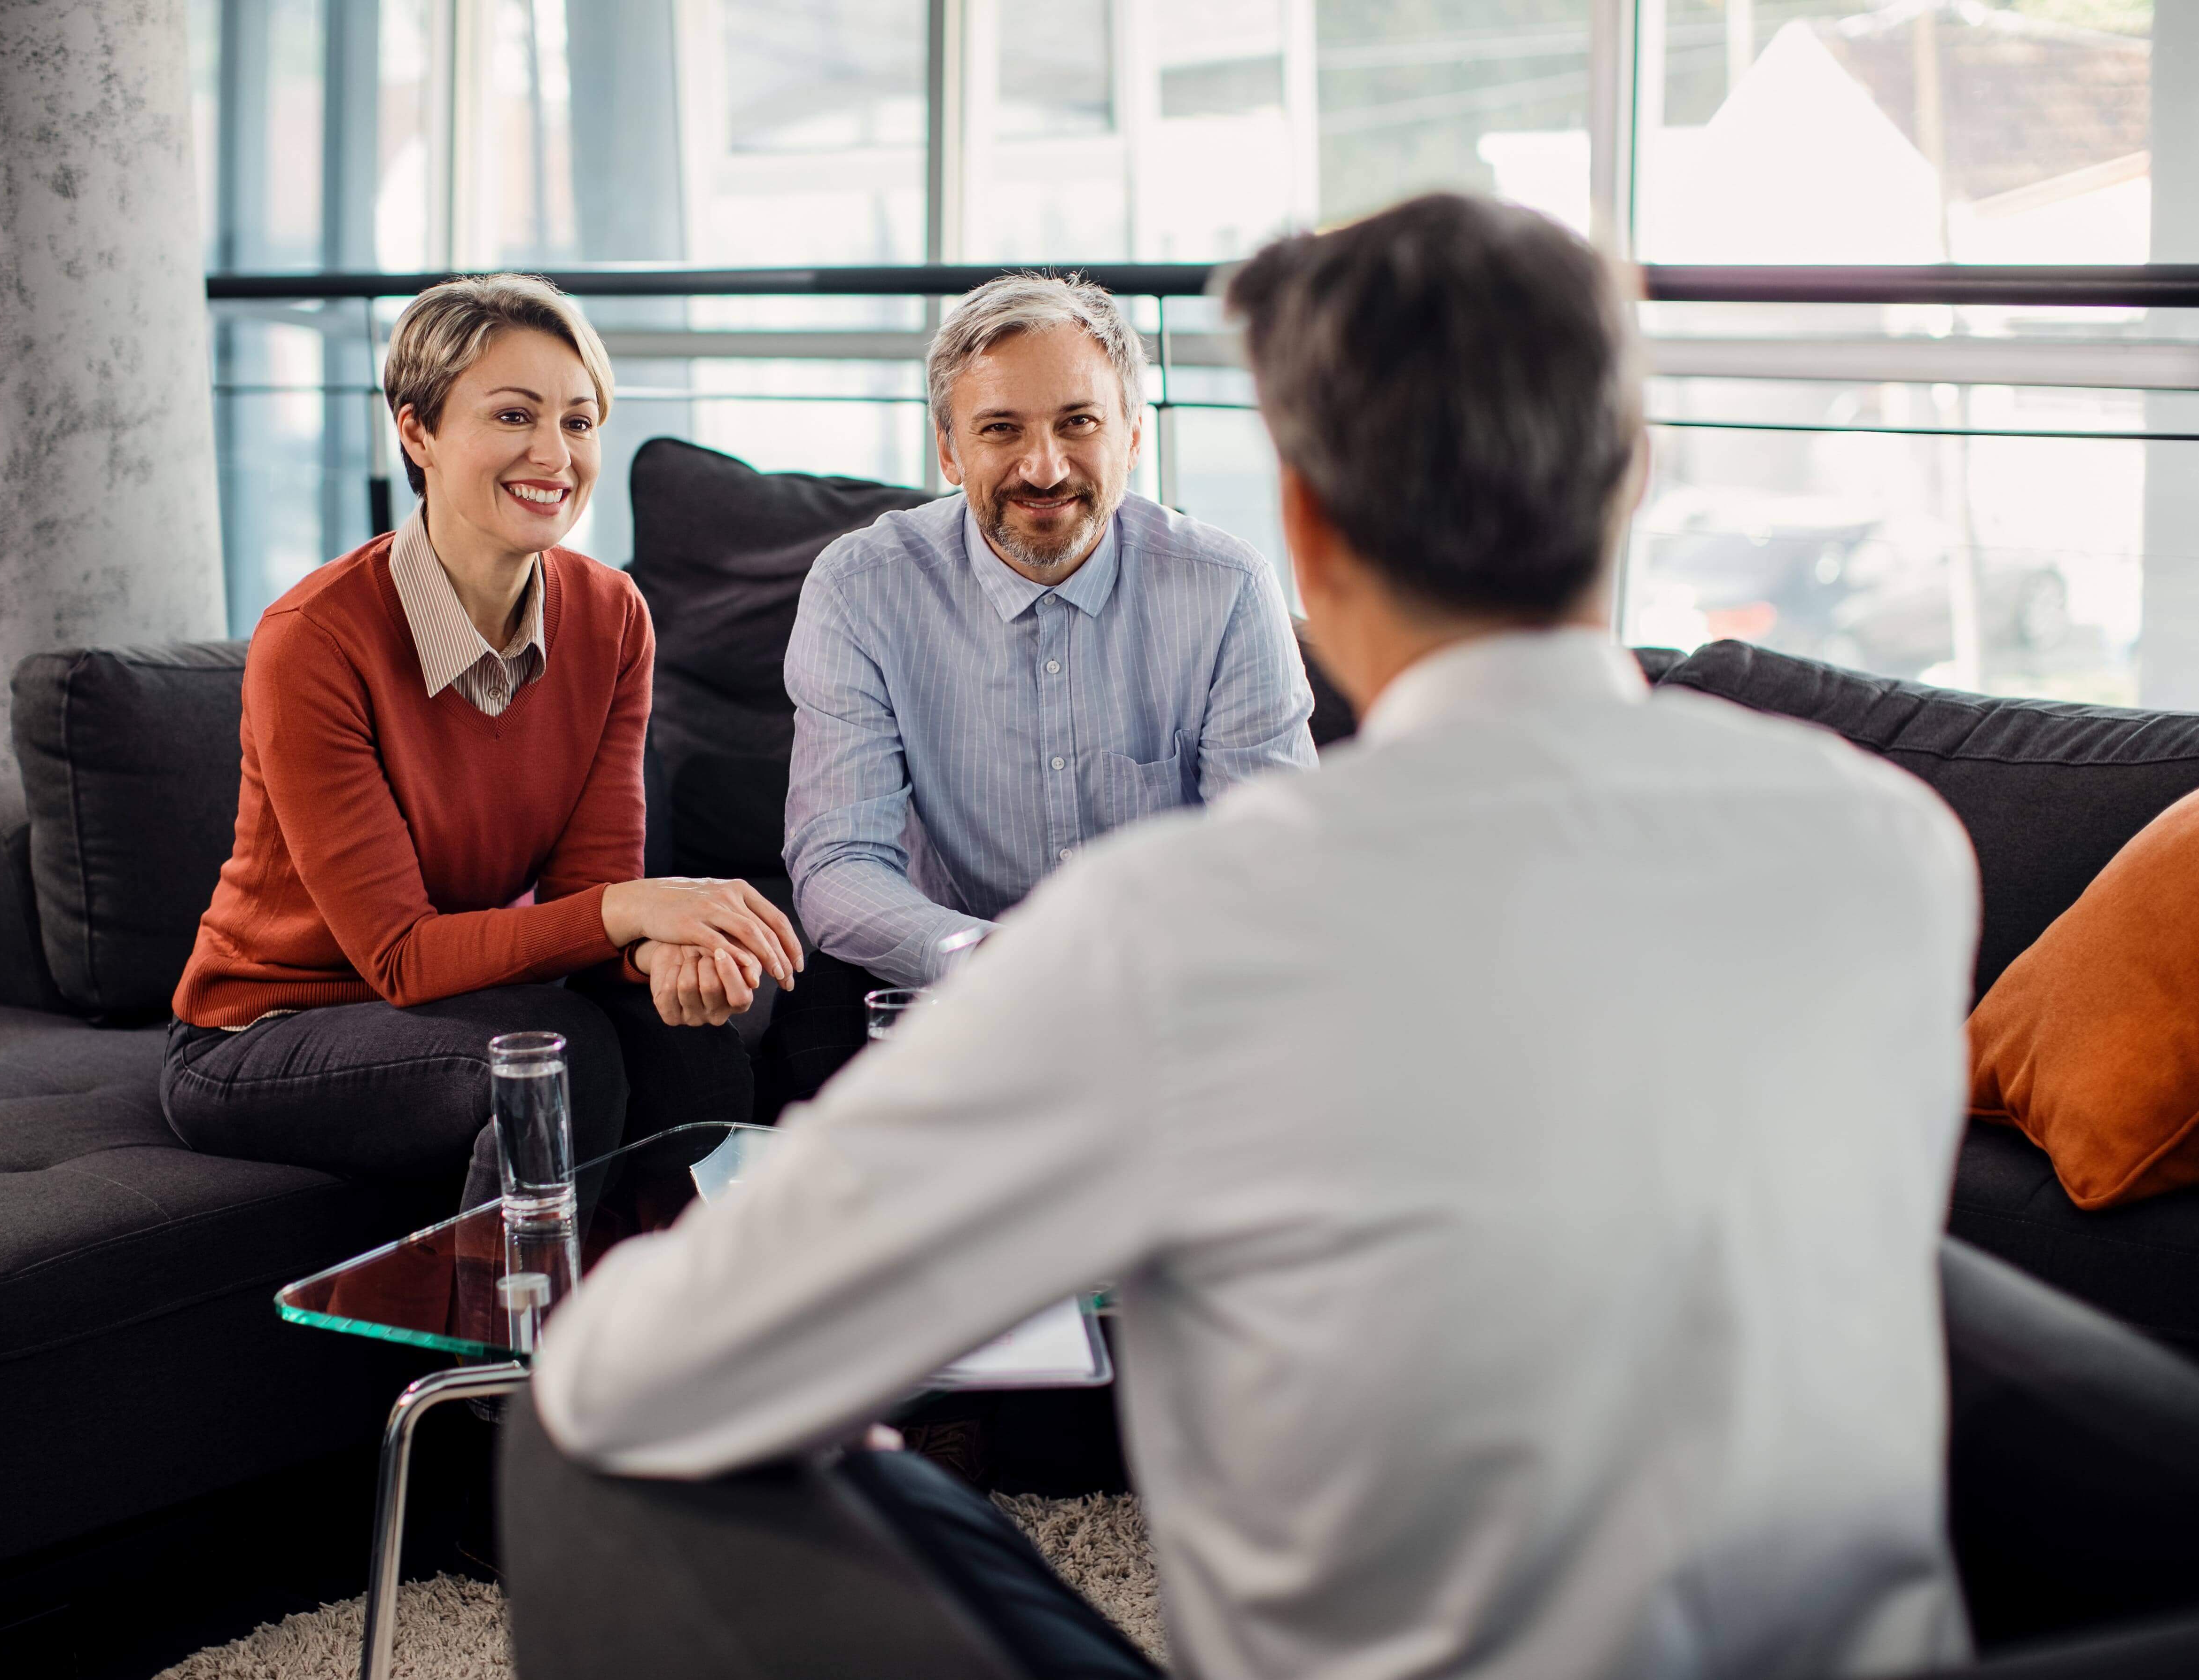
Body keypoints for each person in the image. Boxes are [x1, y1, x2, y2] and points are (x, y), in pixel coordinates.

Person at [517, 195, 1981, 1680]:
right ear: (1635, 474)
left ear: (1302, 523)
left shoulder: (1178, 931)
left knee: (577, 1445)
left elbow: (635, 1383)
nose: (1041, 467)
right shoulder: (1894, 848)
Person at [161, 274, 803, 1214]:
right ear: (415, 432)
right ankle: (515, 1353)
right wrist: (637, 911)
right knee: (551, 1055)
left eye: (579, 423)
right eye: (513, 415)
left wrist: (663, 953)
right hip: (263, 1030)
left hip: (456, 999)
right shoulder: (315, 638)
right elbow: (401, 958)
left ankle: (680, 1342)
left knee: (686, 1037)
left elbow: (588, 900)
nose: (554, 454)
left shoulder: (611, 615)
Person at [764, 272, 1315, 1104]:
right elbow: (838, 862)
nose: (1044, 467)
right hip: (947, 1002)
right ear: (949, 450)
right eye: (1000, 429)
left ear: (1133, 436)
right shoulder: (858, 588)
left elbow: (1270, 863)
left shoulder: (1227, 588)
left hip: (1171, 1008)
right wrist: (990, 963)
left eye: (1078, 423)